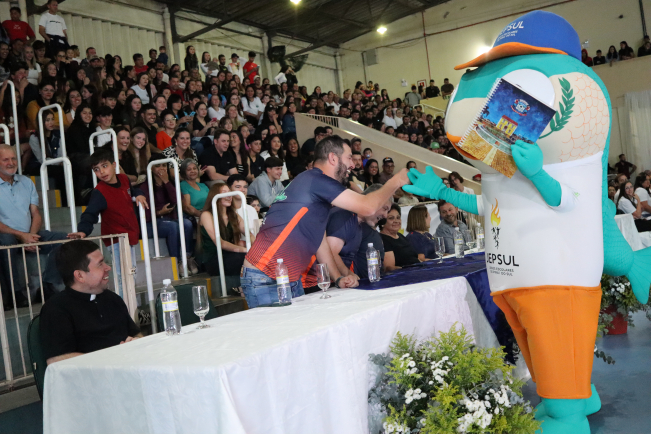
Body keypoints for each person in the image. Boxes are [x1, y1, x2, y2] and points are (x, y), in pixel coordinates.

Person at [242, 135, 409, 308]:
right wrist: (396, 181)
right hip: (267, 275)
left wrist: (338, 278)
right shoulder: (317, 180)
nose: (352, 165)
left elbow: (320, 241)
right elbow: (368, 207)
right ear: (333, 158)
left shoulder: (313, 185)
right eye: (349, 158)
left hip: (286, 277)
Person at [39, 240, 142, 365]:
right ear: (80, 275)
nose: (108, 267)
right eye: (100, 264)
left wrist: (136, 342)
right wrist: (112, 358)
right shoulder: (56, 309)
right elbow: (57, 359)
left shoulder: (112, 299)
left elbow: (136, 334)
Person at [67, 149, 148, 291]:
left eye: (105, 166)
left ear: (114, 165)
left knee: (131, 274)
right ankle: (124, 303)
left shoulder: (124, 179)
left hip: (130, 235)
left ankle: (128, 303)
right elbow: (90, 214)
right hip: (116, 238)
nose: (102, 172)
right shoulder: (99, 191)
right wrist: (83, 231)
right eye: (96, 169)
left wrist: (139, 194)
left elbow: (133, 190)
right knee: (124, 277)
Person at [0, 145, 68, 310]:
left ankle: (48, 286)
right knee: (6, 241)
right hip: (6, 235)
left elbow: (36, 214)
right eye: (5, 159)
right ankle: (15, 294)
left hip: (29, 233)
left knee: (64, 239)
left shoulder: (26, 182)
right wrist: (21, 235)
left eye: (13, 158)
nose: (11, 163)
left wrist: (30, 235)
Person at [140, 154, 197, 274]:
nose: (162, 168)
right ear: (151, 168)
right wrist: (159, 212)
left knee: (187, 223)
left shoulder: (170, 183)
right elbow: (146, 212)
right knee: (172, 227)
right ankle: (175, 261)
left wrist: (166, 182)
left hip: (169, 218)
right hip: (152, 222)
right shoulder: (145, 186)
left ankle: (186, 259)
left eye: (164, 165)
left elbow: (178, 201)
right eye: (158, 166)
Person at [197, 183, 250, 278]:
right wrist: (245, 250)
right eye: (224, 192)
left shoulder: (233, 215)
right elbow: (220, 243)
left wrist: (257, 247)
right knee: (244, 258)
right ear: (215, 195)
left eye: (229, 192)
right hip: (214, 258)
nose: (229, 196)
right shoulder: (206, 215)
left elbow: (249, 234)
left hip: (230, 255)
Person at [353, 184, 391, 279]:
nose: (385, 216)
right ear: (372, 200)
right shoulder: (346, 222)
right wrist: (346, 276)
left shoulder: (370, 231)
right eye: (384, 209)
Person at [379, 204, 422, 270]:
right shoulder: (382, 239)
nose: (396, 221)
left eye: (398, 218)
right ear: (382, 222)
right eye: (391, 218)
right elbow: (389, 268)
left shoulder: (400, 236)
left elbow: (414, 258)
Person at [227, 174, 259, 239]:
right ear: (229, 189)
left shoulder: (251, 209)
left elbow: (257, 232)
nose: (243, 190)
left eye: (245, 187)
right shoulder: (225, 210)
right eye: (238, 187)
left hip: (253, 243)